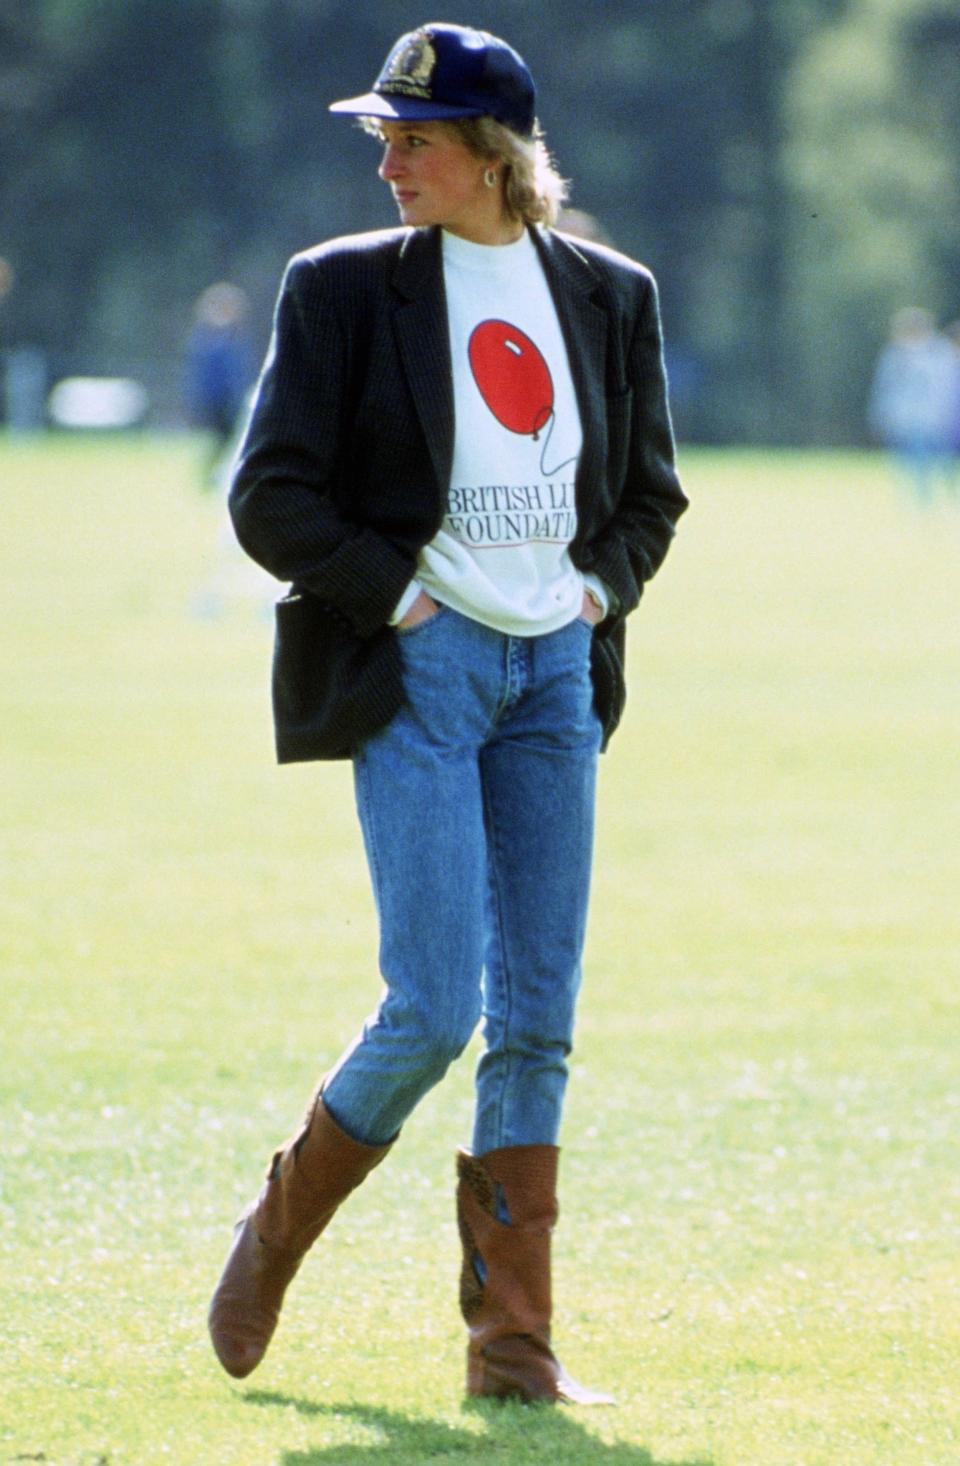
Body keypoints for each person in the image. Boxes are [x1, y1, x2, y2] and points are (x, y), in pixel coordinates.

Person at [208, 22, 687, 1404]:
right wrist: (396, 596)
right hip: (419, 667)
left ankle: (513, 1357)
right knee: (434, 1004)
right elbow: (270, 494)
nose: (389, 161)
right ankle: (280, 1221)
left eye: (413, 139)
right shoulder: (344, 289)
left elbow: (649, 495)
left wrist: (598, 593)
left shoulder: (608, 292)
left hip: (553, 676)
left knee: (537, 1018)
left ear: (494, 155)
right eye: (383, 137)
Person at [867, 306, 960, 502]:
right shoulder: (895, 356)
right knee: (913, 462)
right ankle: (922, 501)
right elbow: (886, 388)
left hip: (936, 419)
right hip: (907, 420)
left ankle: (945, 499)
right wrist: (882, 415)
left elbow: (946, 388)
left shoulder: (939, 354)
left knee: (944, 462)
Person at [184, 281, 256, 484]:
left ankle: (219, 475)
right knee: (225, 439)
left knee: (230, 440)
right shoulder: (209, 339)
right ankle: (214, 476)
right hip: (217, 400)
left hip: (232, 398)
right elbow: (203, 376)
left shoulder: (233, 337)